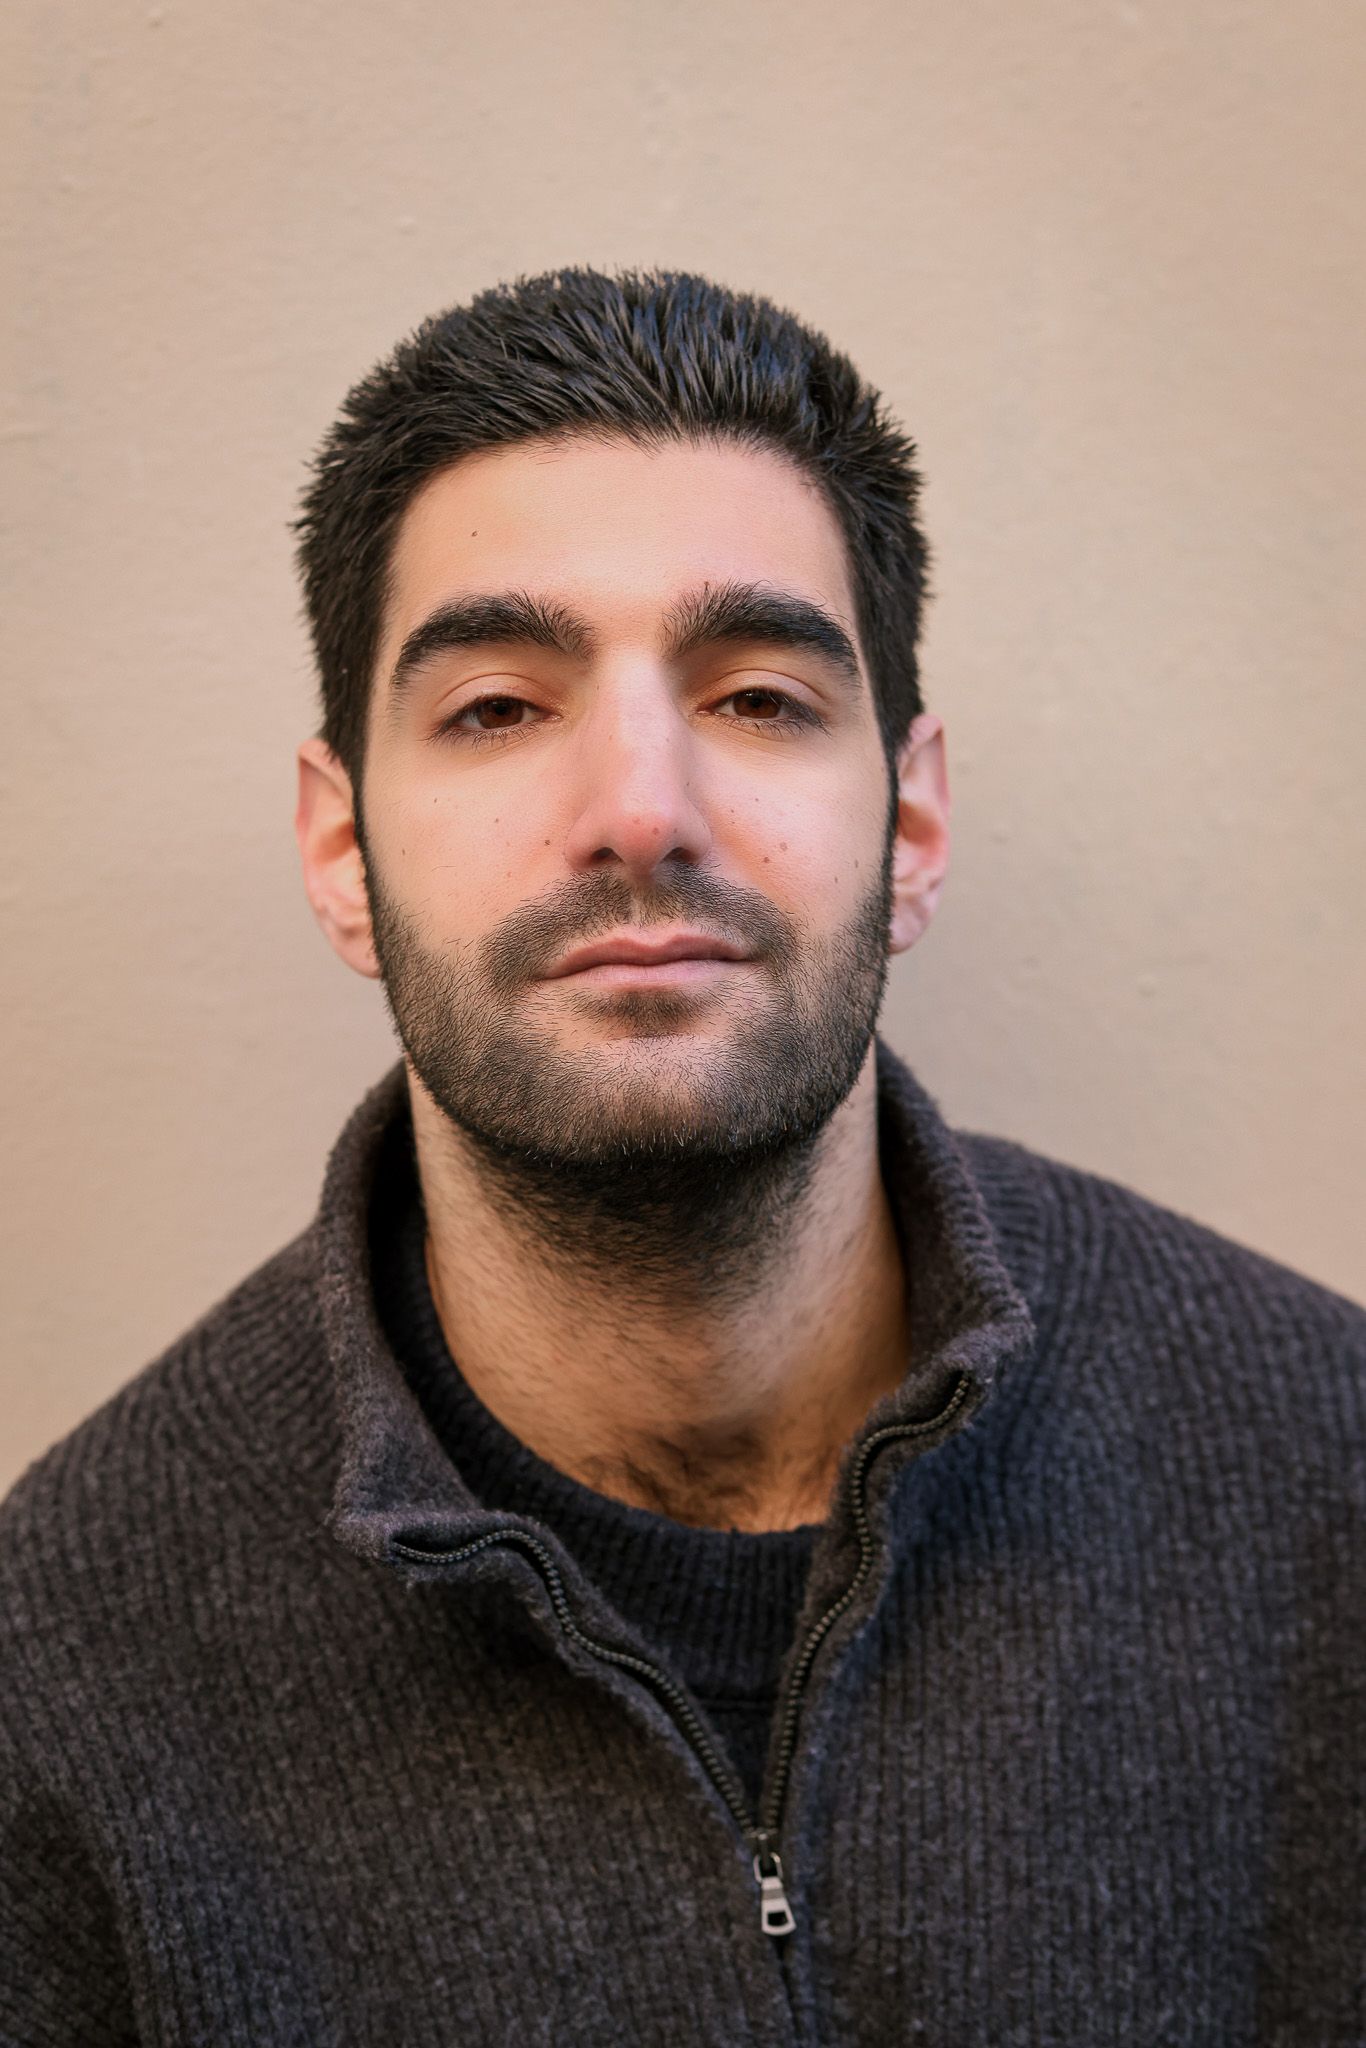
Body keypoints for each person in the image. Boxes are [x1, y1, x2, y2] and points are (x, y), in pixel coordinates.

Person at [1, 269, 1361, 2047]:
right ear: (343, 854)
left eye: (758, 697)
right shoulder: (58, 1675)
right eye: (498, 707)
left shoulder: (1330, 1482)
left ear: (911, 819)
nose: (640, 810)